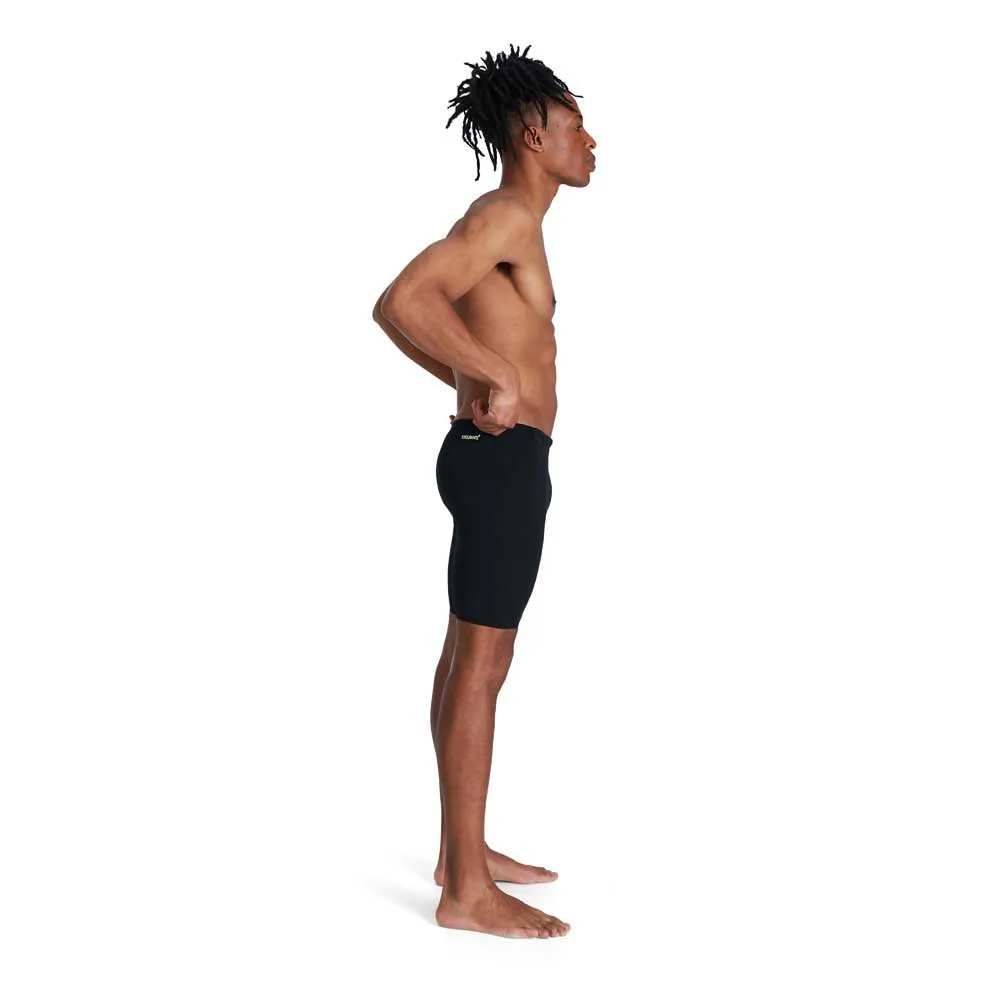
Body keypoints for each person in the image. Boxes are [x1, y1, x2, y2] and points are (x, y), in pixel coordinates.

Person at [371, 43, 596, 939]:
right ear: (533, 133)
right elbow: (402, 301)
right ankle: (466, 890)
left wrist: (473, 378)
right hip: (502, 465)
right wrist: (492, 373)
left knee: (469, 657)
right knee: (483, 667)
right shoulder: (505, 215)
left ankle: (458, 852)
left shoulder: (514, 225)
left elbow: (427, 319)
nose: (591, 141)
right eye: (576, 124)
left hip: (493, 455)